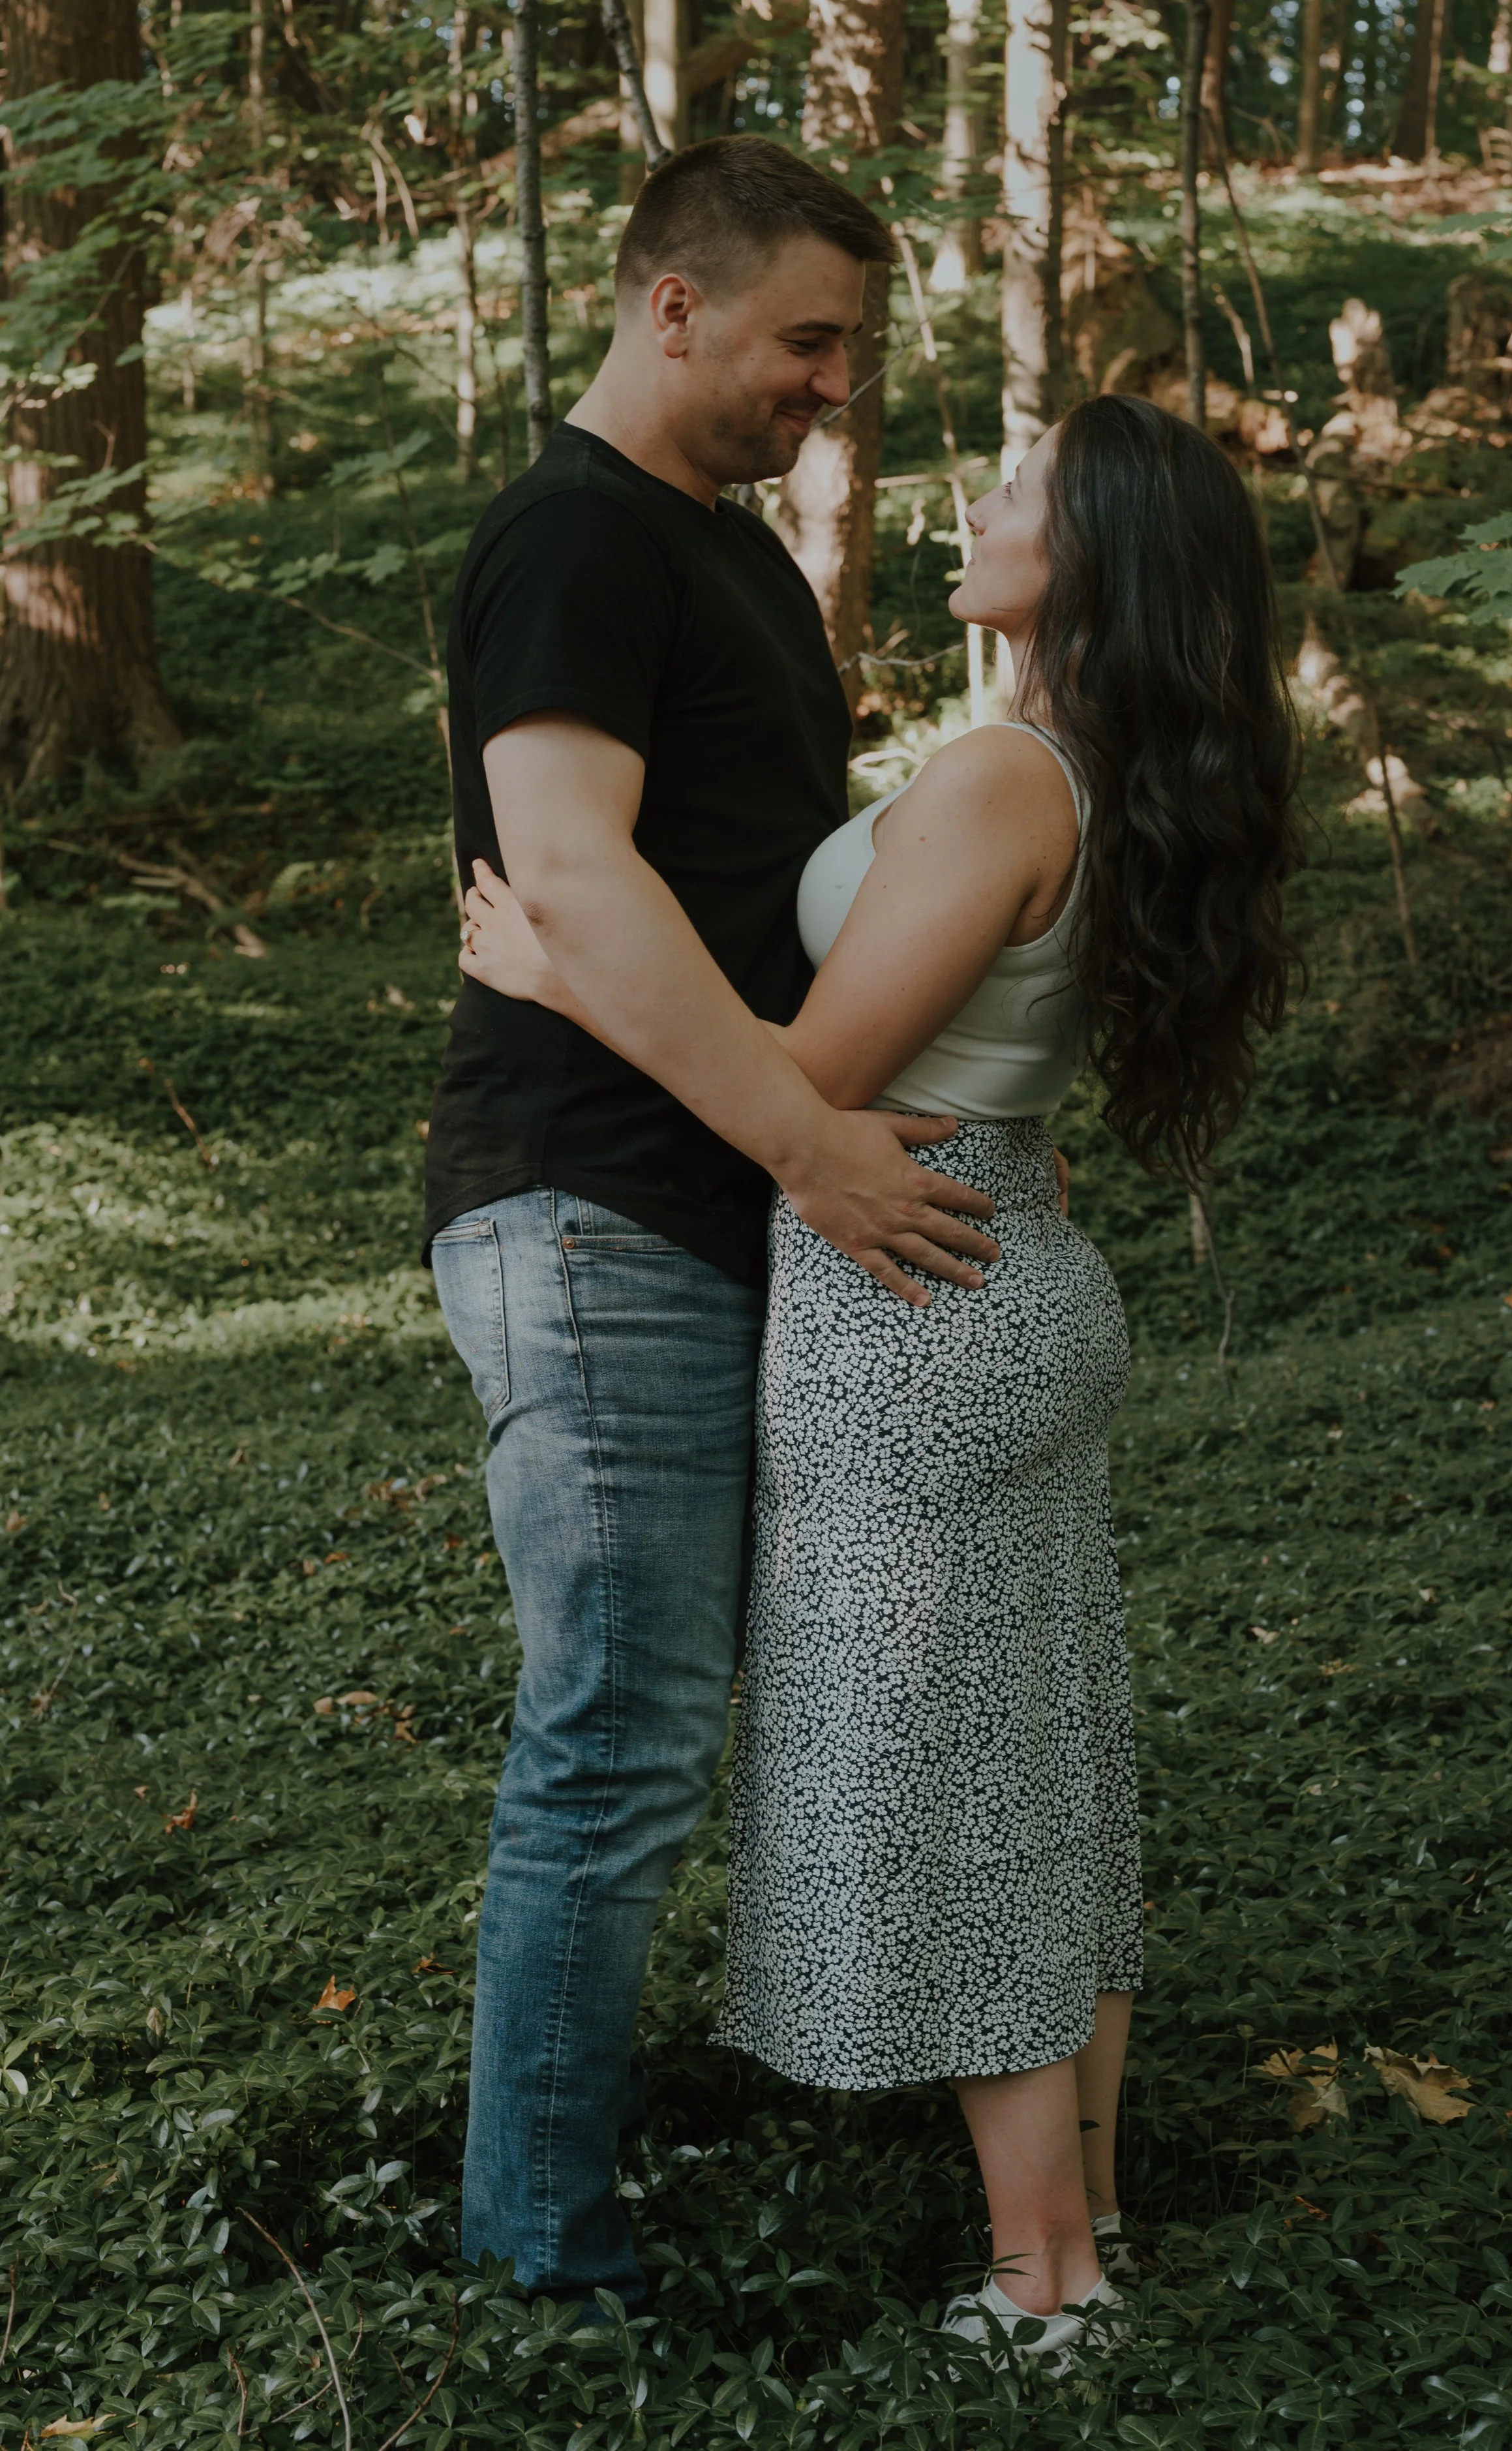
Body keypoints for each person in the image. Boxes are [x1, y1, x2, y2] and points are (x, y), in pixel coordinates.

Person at [459, 392, 1303, 2364]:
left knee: (961, 1788)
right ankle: (1076, 2227)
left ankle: (1043, 2276)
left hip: (900, 1291)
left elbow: (817, 1076)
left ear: (1087, 551)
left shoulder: (1008, 773)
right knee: (1048, 1761)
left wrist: (563, 968)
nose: (977, 503)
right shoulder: (1084, 769)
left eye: (1017, 489)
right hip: (980, 1251)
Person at [423, 136, 1001, 2313]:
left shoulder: (732, 556)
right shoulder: (569, 541)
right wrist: (809, 1143)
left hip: (711, 1202)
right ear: (669, 304)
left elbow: (755, 878)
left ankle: (629, 2142)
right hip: (592, 1211)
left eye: (844, 345)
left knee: (680, 1721)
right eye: (804, 339)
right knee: (617, 1729)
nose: (831, 384)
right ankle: (538, 2261)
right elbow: (568, 873)